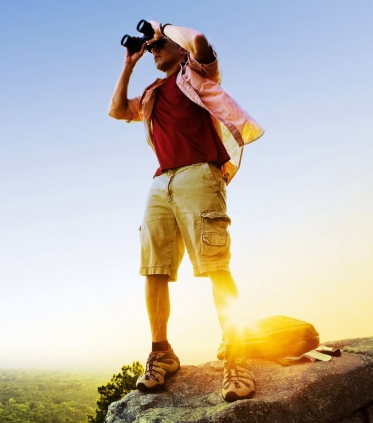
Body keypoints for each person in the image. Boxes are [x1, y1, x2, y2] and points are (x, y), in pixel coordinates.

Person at [108, 20, 264, 401]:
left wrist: (163, 27)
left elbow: (199, 40)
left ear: (179, 50)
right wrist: (129, 64)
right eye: (152, 45)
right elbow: (116, 110)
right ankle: (162, 354)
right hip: (162, 181)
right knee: (154, 269)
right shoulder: (151, 93)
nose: (154, 48)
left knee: (215, 264)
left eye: (160, 44)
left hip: (200, 171)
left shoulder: (196, 74)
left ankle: (236, 354)